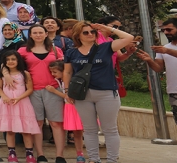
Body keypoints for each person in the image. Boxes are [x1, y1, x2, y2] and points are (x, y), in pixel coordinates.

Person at [63, 21, 134, 163]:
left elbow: (129, 38)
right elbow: (68, 71)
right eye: (86, 32)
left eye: (92, 32)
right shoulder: (71, 52)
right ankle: (94, 159)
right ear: (78, 35)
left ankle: (112, 160)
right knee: (89, 130)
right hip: (82, 94)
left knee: (110, 129)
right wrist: (66, 91)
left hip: (106, 92)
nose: (90, 34)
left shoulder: (106, 47)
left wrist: (107, 28)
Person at [15, 24, 66, 163]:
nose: (38, 35)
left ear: (45, 34)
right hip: (32, 90)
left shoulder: (55, 50)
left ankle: (60, 155)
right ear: (30, 35)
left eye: (40, 32)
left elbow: (64, 69)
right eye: (35, 32)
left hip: (53, 89)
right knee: (37, 123)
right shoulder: (23, 50)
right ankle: (40, 154)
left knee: (56, 123)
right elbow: (12, 65)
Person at [137, 17, 177, 146]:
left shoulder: (166, 49)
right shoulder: (164, 49)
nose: (166, 32)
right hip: (176, 92)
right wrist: (149, 60)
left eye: (169, 29)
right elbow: (158, 68)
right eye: (164, 30)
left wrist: (167, 51)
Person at [0, 50, 40, 163]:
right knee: (10, 130)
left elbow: (30, 89)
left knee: (26, 130)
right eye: (7, 60)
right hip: (7, 104)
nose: (10, 61)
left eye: (13, 59)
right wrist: (3, 96)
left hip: (22, 103)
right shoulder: (2, 75)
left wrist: (19, 98)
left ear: (18, 60)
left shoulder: (25, 74)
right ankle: (12, 154)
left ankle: (29, 154)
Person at [45, 61, 85, 163]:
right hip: (68, 109)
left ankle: (81, 153)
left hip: (75, 108)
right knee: (75, 133)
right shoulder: (60, 81)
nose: (52, 74)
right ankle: (79, 154)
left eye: (54, 72)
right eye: (51, 72)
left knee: (79, 133)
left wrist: (54, 91)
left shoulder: (70, 81)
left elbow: (70, 97)